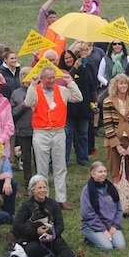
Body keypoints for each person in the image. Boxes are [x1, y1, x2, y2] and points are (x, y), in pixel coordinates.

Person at [24, 65, 83, 211]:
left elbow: (78, 97)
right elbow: (29, 102)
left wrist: (70, 82)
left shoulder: (61, 91)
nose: (51, 81)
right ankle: (43, 199)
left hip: (58, 132)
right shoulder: (36, 91)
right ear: (42, 78)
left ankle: (61, 199)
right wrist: (32, 84)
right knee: (42, 167)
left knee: (60, 166)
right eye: (48, 78)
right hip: (41, 132)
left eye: (53, 78)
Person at [10, 174, 85, 257]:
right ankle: (53, 251)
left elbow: (60, 225)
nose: (43, 190)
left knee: (59, 243)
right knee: (32, 250)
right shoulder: (26, 206)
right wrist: (36, 232)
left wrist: (52, 235)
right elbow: (17, 225)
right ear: (33, 190)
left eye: (44, 187)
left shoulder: (53, 204)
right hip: (32, 238)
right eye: (39, 188)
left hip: (51, 235)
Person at [102, 73, 129, 218]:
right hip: (114, 143)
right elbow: (108, 126)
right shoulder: (108, 102)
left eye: (125, 83)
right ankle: (118, 207)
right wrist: (118, 146)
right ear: (116, 85)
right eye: (121, 83)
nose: (123, 86)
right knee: (117, 174)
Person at [79, 161, 126, 251]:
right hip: (93, 226)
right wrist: (103, 230)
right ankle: (89, 237)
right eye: (100, 172)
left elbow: (119, 208)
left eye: (105, 171)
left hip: (111, 225)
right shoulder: (87, 191)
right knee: (107, 248)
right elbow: (87, 214)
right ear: (92, 174)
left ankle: (103, 236)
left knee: (121, 247)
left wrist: (115, 226)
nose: (103, 174)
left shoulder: (111, 188)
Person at [60, 50, 95, 166]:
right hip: (69, 108)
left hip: (83, 107)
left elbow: (91, 84)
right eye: (66, 58)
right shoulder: (62, 71)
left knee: (83, 134)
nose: (69, 60)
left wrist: (94, 101)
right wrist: (74, 68)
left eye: (70, 57)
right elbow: (66, 79)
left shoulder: (84, 68)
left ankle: (83, 158)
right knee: (68, 134)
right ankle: (64, 159)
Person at [10, 67, 33, 188]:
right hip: (23, 129)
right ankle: (27, 183)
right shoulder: (16, 93)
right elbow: (12, 112)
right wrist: (22, 106)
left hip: (39, 129)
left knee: (39, 158)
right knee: (26, 158)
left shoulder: (38, 90)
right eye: (25, 75)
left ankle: (40, 182)